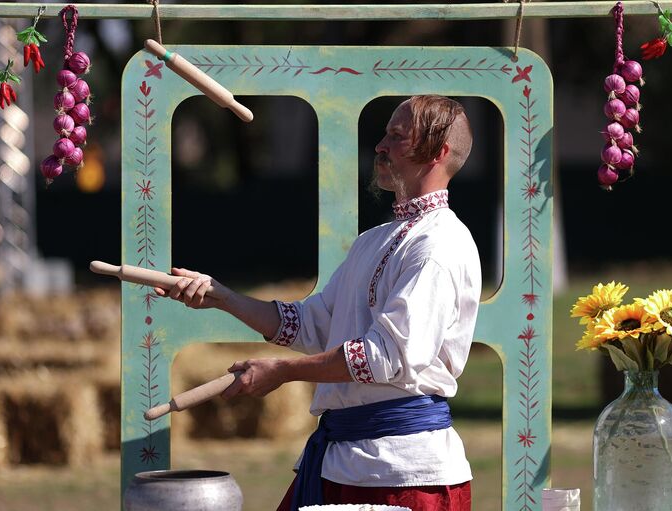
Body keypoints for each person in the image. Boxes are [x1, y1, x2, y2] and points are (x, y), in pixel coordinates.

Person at [155, 94, 481, 510]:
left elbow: (384, 356)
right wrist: (222, 296)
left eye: (396, 137)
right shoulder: (372, 241)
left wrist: (281, 372)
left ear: (437, 153)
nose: (380, 146)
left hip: (405, 474)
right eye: (384, 134)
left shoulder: (440, 245)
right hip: (339, 466)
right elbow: (313, 325)